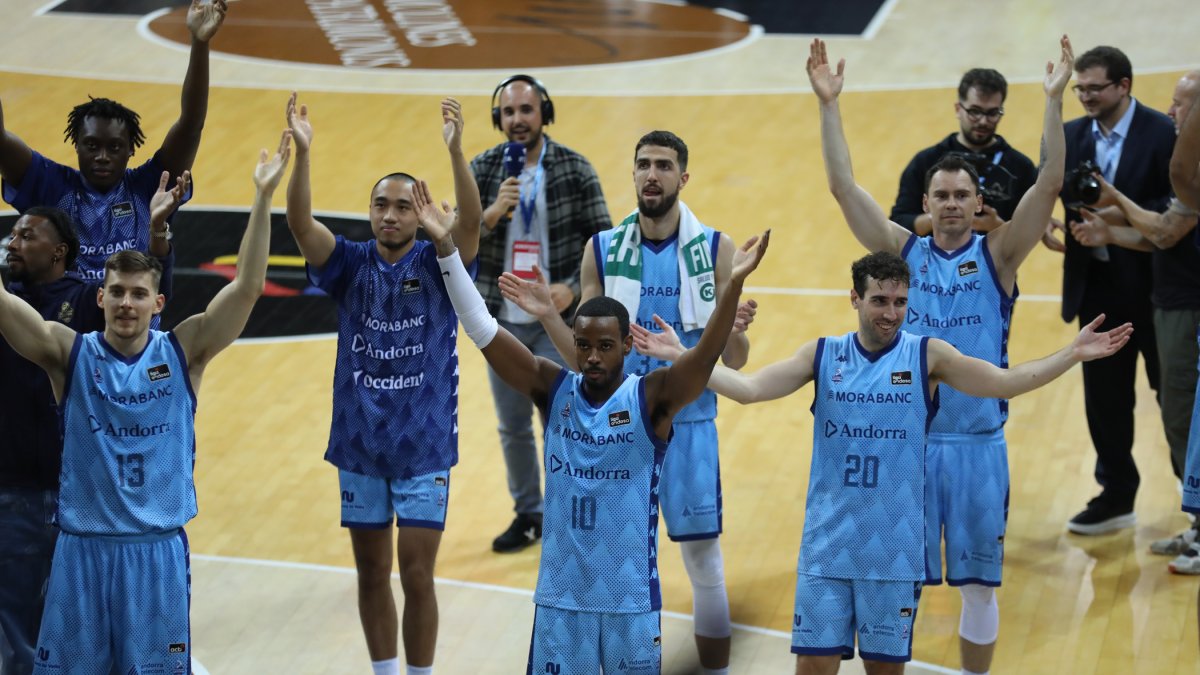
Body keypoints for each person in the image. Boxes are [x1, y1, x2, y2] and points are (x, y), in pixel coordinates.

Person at [630, 251, 1132, 675]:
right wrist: (685, 356)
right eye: (879, 301)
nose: (890, 313)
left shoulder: (927, 356)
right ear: (855, 299)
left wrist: (1071, 354)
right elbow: (749, 389)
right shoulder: (823, 354)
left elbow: (1004, 383)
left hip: (892, 554)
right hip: (826, 549)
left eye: (899, 303)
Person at [416, 154, 768, 671]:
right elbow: (481, 327)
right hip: (561, 604)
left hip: (628, 605)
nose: (594, 357)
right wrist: (447, 250)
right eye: (584, 345)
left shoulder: (652, 400)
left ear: (628, 346)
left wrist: (730, 288)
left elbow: (702, 360)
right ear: (573, 346)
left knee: (704, 562)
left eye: (606, 346)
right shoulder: (552, 386)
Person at [806, 36, 1073, 675]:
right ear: (924, 206)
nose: (952, 204)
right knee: (903, 586)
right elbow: (843, 188)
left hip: (980, 446)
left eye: (962, 196)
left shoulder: (1000, 255)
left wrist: (1054, 100)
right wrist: (828, 106)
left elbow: (1051, 182)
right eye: (941, 196)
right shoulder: (902, 256)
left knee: (979, 588)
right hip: (909, 449)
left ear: (977, 203)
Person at [0, 130, 287, 674]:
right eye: (116, 292)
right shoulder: (69, 353)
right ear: (100, 296)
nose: (125, 303)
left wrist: (264, 196)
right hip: (81, 551)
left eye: (138, 294)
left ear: (157, 302)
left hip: (154, 552)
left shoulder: (186, 351)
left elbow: (248, 287)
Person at [284, 93, 481, 675]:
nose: (391, 214)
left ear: (416, 213)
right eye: (381, 205)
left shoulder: (437, 263)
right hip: (360, 446)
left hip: (423, 447)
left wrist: (456, 151)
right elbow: (298, 223)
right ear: (370, 212)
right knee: (370, 573)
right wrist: (303, 154)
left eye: (402, 206)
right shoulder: (347, 263)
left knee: (417, 574)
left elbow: (469, 226)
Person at [0, 173, 183, 674]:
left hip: (74, 501)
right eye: (9, 236)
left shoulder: (85, 302)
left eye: (24, 235)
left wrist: (157, 238)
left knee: (66, 642)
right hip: (24, 490)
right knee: (22, 633)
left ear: (60, 250)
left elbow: (140, 301)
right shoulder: (12, 298)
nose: (12, 243)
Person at [469, 74, 612, 553]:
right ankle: (529, 514)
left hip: (556, 321)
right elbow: (452, 242)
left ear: (543, 114)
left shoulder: (574, 168)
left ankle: (575, 513)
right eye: (508, 112)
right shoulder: (485, 169)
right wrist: (490, 214)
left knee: (568, 423)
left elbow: (605, 244)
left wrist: (572, 290)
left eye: (526, 111)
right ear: (498, 118)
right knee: (512, 426)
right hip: (500, 320)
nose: (517, 121)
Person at [1067, 70, 1200, 572]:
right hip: (1170, 298)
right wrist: (1110, 232)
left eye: (1181, 105)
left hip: (1186, 305)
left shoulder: (1192, 169)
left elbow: (1166, 233)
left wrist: (1115, 198)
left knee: (1185, 415)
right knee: (1177, 417)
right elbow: (1156, 234)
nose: (1171, 112)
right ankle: (1197, 525)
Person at [0, 0, 226, 280]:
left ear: (131, 149)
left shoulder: (150, 187)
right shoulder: (52, 187)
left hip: (137, 322)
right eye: (92, 146)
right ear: (77, 145)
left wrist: (199, 42)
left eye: (114, 147)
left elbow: (192, 125)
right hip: (64, 323)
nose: (102, 156)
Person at [1059, 45, 1178, 535]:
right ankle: (1116, 494)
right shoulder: (1068, 135)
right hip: (1097, 288)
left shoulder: (1164, 133)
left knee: (1175, 399)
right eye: (1079, 87)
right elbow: (1065, 199)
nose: (1084, 95)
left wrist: (1112, 214)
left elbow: (1171, 209)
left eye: (1094, 87)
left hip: (1157, 291)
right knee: (1104, 400)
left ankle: (1193, 496)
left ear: (1123, 86)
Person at [889, 68, 1044, 242]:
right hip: (933, 267)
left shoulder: (1020, 167)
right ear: (958, 109)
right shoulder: (925, 162)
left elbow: (1030, 232)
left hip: (997, 268)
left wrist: (995, 226)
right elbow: (898, 224)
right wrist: (940, 217)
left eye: (992, 113)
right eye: (975, 111)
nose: (983, 121)